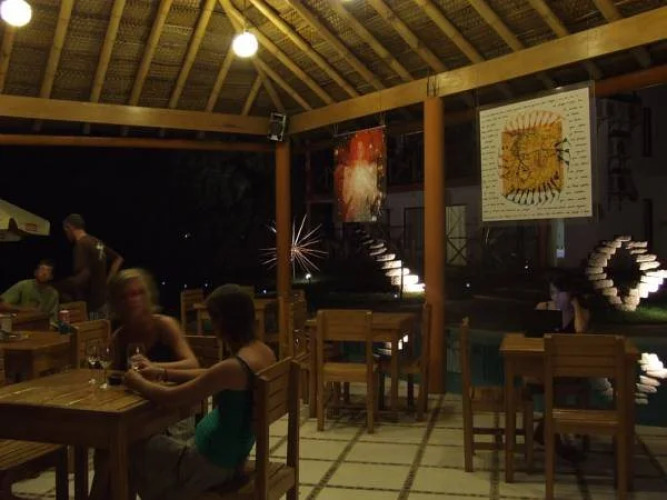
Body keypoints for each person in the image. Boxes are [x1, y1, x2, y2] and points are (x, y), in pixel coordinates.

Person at [123, 284, 276, 500]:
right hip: (229, 458)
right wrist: (162, 372)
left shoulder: (234, 367)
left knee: (129, 446)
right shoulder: (263, 352)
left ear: (223, 321)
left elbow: (171, 398)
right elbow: (211, 374)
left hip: (208, 467)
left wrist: (137, 382)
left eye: (213, 319)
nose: (212, 326)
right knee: (152, 444)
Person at [108, 268, 198, 371]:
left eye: (136, 293)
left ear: (148, 296)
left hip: (169, 381)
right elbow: (112, 373)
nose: (131, 300)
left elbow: (192, 364)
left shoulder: (164, 325)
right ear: (116, 303)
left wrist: (153, 366)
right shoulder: (118, 337)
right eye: (123, 296)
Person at [57, 213, 123, 319]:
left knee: (93, 329)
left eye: (66, 230)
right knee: (103, 327)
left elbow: (82, 277)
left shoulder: (81, 245)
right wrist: (108, 281)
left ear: (70, 227)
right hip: (103, 300)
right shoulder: (96, 241)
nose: (66, 234)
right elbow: (118, 259)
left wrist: (58, 286)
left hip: (92, 304)